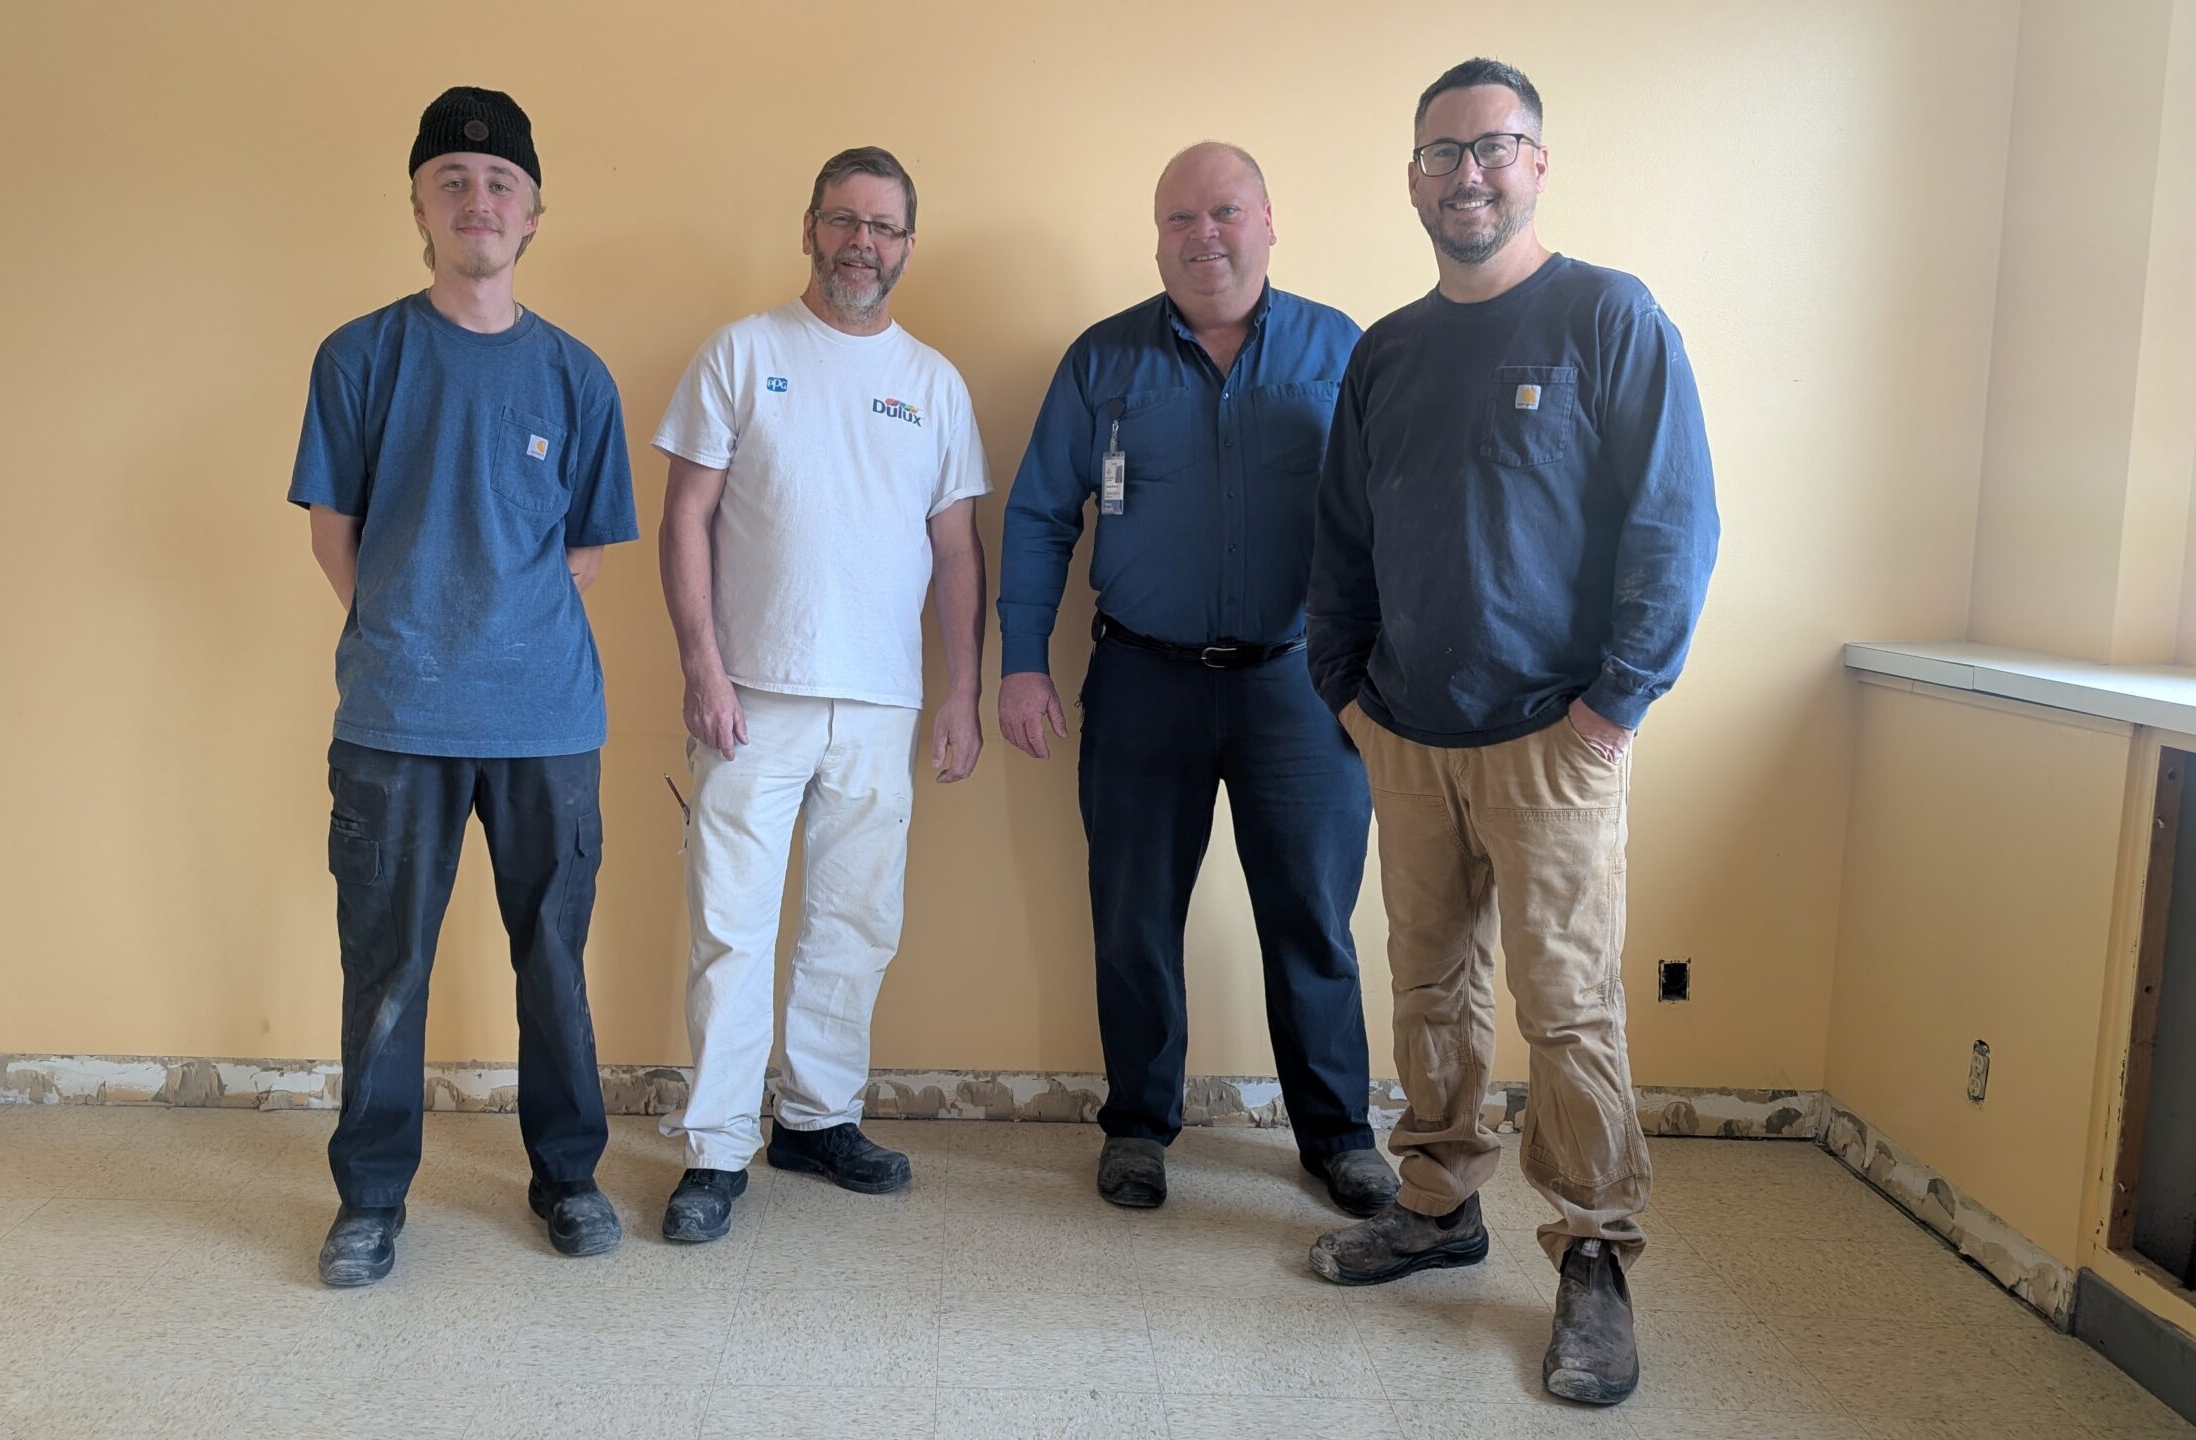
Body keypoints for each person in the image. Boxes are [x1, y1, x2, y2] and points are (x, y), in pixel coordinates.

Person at [1303, 58, 1720, 1407]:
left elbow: (1674, 524)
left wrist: (1616, 703)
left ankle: (1593, 1256)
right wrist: (1345, 691)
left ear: (1536, 163)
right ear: (1412, 179)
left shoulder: (1609, 317)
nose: (1466, 173)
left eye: (1492, 147)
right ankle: (1437, 1204)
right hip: (1406, 734)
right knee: (1428, 986)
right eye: (1442, 152)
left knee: (1569, 1007)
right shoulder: (1386, 351)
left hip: (1555, 737)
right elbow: (1343, 540)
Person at [997, 143, 1396, 1217]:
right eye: (1180, 217)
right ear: (1157, 236)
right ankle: (1137, 1125)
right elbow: (1038, 516)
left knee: (1312, 920)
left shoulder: (1342, 351)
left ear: (1267, 223)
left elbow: (1397, 519)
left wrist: (1387, 672)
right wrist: (1023, 662)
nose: (1202, 235)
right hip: (1141, 681)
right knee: (1132, 918)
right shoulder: (1102, 360)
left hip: (1301, 690)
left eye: (1223, 212)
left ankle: (1338, 1134)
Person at [288, 86, 638, 1283]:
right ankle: (371, 1199)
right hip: (396, 720)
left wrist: (499, 633)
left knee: (554, 962)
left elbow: (582, 552)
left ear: (533, 214)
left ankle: (569, 1176)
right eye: (452, 181)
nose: (476, 200)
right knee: (384, 967)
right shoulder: (360, 357)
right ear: (419, 209)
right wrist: (409, 631)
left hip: (548, 720)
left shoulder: (577, 377)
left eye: (500, 184)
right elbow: (332, 532)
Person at [651, 146, 991, 1243]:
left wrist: (961, 692)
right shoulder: (743, 353)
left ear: (906, 246)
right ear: (809, 229)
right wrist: (701, 667)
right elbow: (684, 518)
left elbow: (956, 550)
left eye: (883, 227)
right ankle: (715, 1149)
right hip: (751, 695)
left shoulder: (934, 384)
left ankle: (815, 1117)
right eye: (843, 220)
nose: (861, 243)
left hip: (882, 701)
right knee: (731, 929)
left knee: (855, 922)